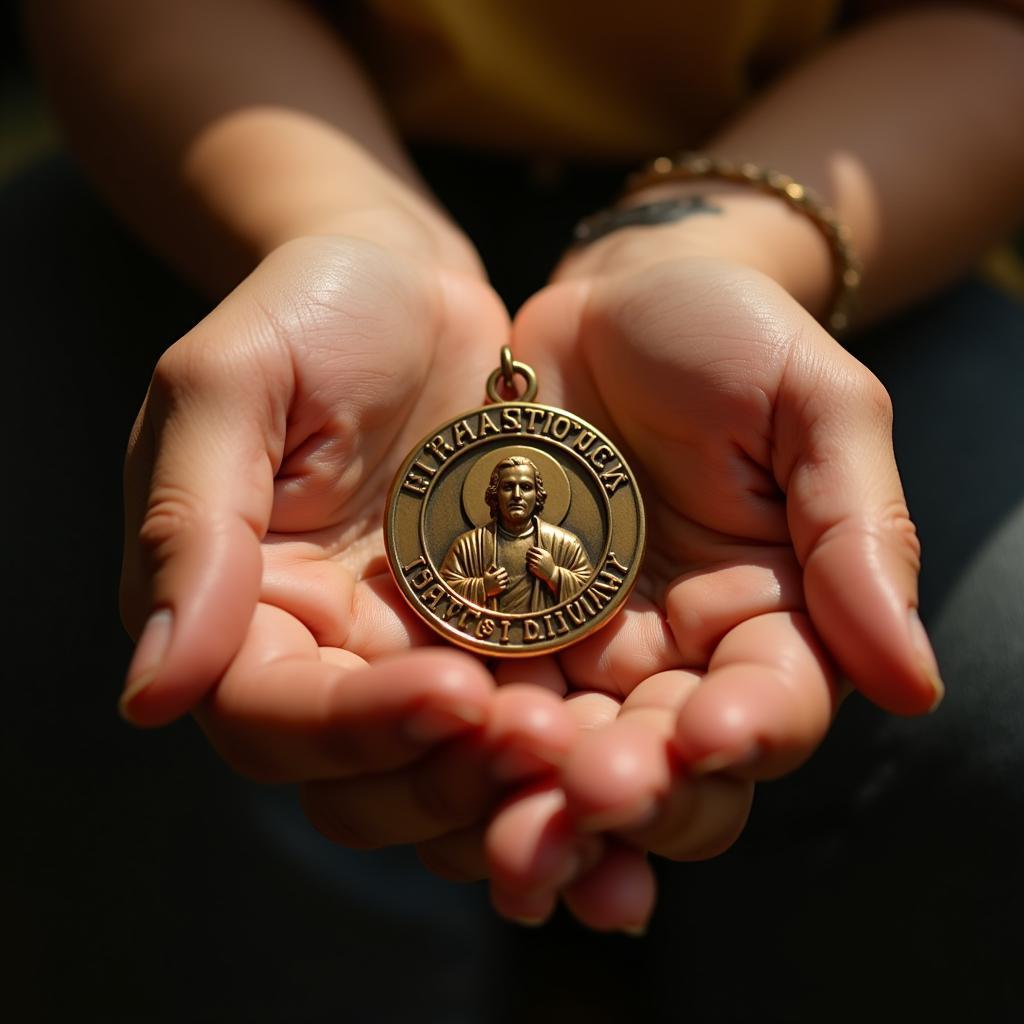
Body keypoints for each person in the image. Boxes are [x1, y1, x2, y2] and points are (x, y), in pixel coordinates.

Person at [18, 0, 1024, 1017]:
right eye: (501, 485)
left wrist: (708, 252)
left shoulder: (554, 548)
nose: (507, 491)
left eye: (520, 486)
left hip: (853, 204)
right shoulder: (459, 550)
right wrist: (343, 225)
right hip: (224, 170)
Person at [440, 455, 593, 612]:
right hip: (485, 630)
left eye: (526, 487)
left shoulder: (565, 543)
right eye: (508, 487)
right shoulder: (468, 545)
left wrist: (554, 575)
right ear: (495, 494)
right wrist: (482, 587)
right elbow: (442, 593)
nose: (517, 495)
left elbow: (590, 593)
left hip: (543, 630)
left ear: (537, 495)